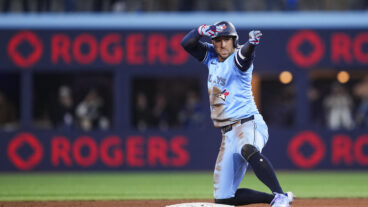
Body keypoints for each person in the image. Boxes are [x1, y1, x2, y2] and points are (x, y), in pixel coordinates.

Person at [181, 21, 294, 207]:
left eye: (227, 39)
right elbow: (186, 44)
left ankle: (280, 196)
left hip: (249, 123)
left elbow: (245, 56)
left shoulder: (237, 56)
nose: (222, 44)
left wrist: (252, 44)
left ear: (234, 41)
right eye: (217, 40)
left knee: (247, 148)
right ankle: (272, 199)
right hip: (227, 134)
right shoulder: (212, 57)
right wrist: (200, 30)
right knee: (224, 199)